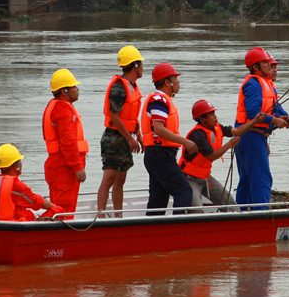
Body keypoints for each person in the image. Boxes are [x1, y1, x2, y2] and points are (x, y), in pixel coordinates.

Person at [234, 47, 289, 208]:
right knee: (261, 179)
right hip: (250, 137)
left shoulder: (266, 84)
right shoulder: (253, 84)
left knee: (247, 180)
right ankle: (262, 215)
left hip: (254, 137)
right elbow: (253, 113)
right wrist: (274, 120)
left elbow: (278, 109)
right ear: (255, 66)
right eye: (265, 62)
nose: (269, 65)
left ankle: (243, 214)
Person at [178, 99, 266, 211]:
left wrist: (255, 120)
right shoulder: (198, 135)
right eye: (211, 115)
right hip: (189, 179)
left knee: (230, 204)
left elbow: (237, 131)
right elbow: (212, 156)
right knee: (196, 210)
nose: (215, 117)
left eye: (214, 113)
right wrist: (230, 144)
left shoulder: (217, 127)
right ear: (202, 119)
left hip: (205, 178)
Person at [141, 62, 197, 215]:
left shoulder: (161, 99)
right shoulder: (159, 100)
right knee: (184, 190)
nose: (178, 82)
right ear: (167, 82)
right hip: (160, 155)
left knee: (158, 200)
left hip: (158, 155)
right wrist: (185, 141)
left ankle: (152, 233)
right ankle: (178, 231)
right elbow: (159, 129)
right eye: (176, 79)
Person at [98, 45, 145, 218]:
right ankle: (101, 217)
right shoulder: (119, 87)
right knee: (109, 177)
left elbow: (132, 118)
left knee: (120, 181)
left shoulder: (132, 85)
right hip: (113, 138)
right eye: (140, 64)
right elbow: (115, 117)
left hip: (125, 138)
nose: (142, 68)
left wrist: (138, 137)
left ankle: (118, 216)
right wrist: (130, 139)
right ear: (135, 66)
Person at [42, 68, 89, 220]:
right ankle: (52, 237)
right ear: (64, 91)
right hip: (64, 167)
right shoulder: (62, 110)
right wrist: (77, 167)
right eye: (74, 86)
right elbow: (68, 143)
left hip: (59, 165)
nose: (78, 89)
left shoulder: (56, 106)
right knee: (64, 209)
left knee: (59, 207)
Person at [0, 143, 63, 221]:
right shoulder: (17, 186)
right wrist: (54, 207)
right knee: (58, 211)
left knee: (29, 214)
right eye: (19, 161)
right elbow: (37, 202)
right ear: (16, 166)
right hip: (12, 228)